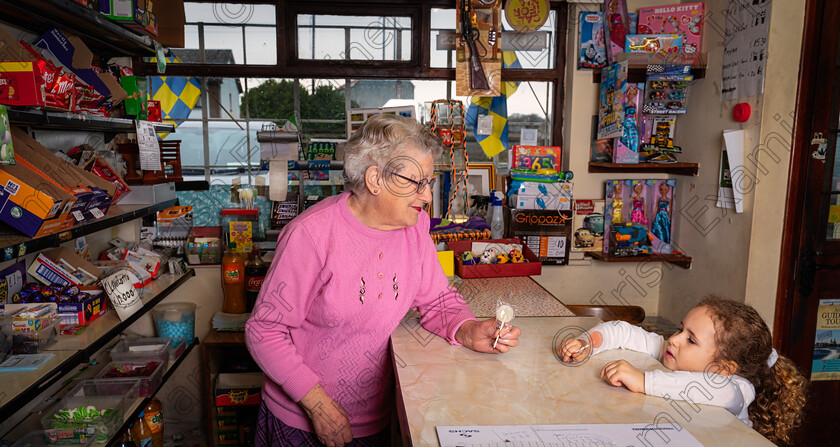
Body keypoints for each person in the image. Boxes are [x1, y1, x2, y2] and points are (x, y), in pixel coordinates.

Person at [246, 114, 521, 447]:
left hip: (374, 414)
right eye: (415, 182)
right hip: (303, 419)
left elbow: (437, 300)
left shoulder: (416, 229)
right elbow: (265, 330)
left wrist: (467, 328)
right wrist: (316, 403)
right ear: (375, 179)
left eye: (429, 183)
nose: (426, 196)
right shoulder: (311, 234)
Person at [557, 297, 807, 445]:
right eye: (680, 329)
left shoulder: (738, 389)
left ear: (723, 368)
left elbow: (717, 390)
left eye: (691, 340)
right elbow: (624, 332)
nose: (674, 339)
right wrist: (588, 343)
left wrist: (644, 380)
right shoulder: (674, 353)